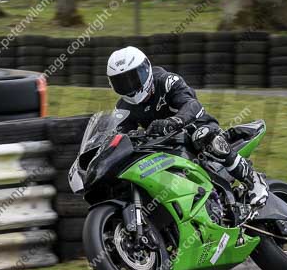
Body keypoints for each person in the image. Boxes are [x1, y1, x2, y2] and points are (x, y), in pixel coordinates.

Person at [107, 46, 268, 210]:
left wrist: (174, 121)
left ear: (146, 68)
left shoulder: (167, 81)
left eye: (133, 78)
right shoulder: (123, 107)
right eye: (121, 83)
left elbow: (193, 105)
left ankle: (252, 180)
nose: (129, 87)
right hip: (164, 146)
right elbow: (118, 134)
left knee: (202, 135)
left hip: (196, 130)